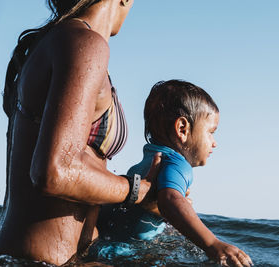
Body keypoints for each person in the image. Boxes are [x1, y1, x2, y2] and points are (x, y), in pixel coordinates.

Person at [0, 0, 163, 265]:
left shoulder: (52, 42)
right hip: (44, 261)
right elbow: (55, 173)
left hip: (32, 256)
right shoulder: (86, 45)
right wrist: (137, 190)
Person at [98, 80, 253, 267]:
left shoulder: (149, 159)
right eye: (211, 132)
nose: (214, 143)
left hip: (104, 246)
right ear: (182, 129)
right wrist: (212, 244)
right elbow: (170, 200)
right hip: (125, 255)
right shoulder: (178, 163)